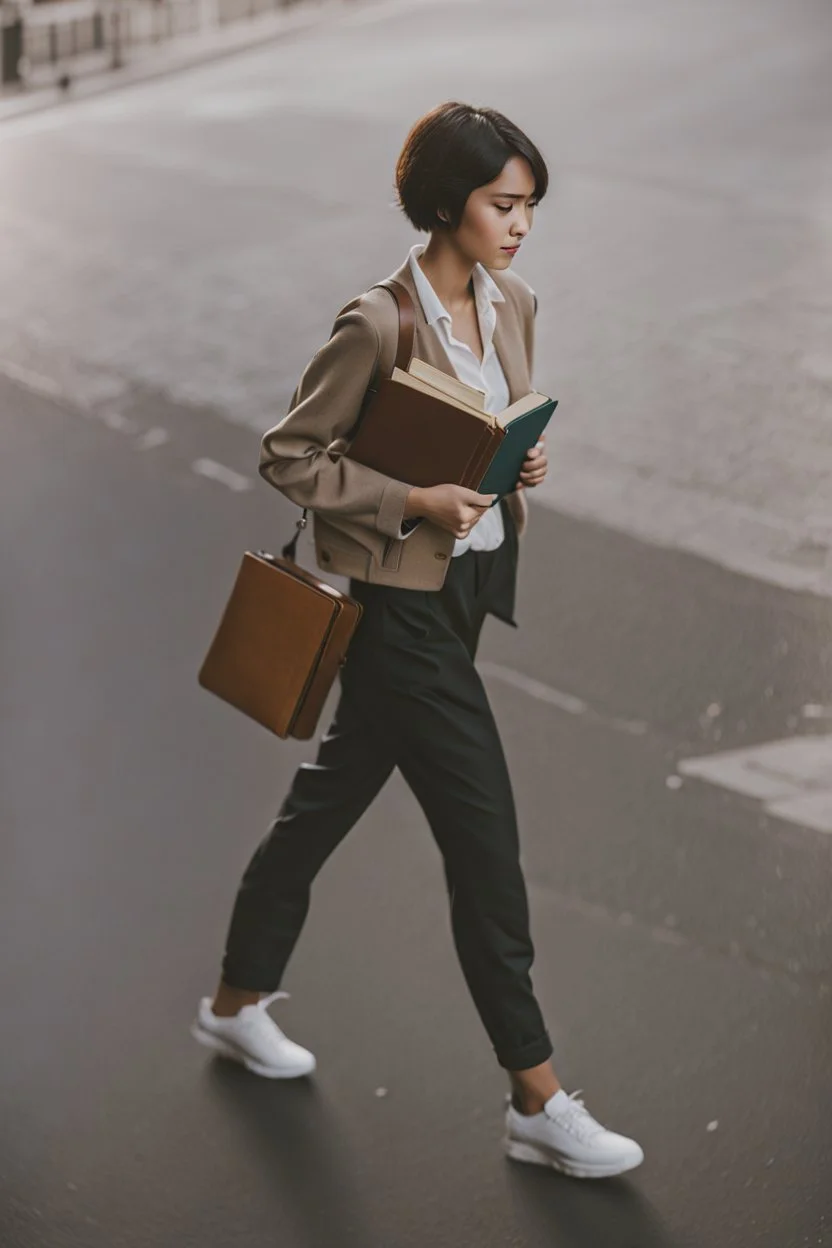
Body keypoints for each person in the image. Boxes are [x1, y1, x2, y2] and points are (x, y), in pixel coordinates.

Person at [191, 101, 644, 1180]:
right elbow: (290, 456)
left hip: (470, 590)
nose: (520, 224)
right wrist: (412, 498)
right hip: (395, 613)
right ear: (447, 202)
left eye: (530, 204)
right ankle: (535, 1097)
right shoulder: (377, 323)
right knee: (484, 840)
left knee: (327, 798)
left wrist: (514, 469)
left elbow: (499, 419)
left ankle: (233, 1001)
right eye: (502, 203)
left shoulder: (514, 300)